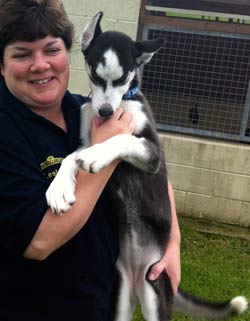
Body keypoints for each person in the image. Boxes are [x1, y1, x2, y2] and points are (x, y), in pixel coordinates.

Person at [0, 0, 181, 320]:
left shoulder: (83, 108)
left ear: (70, 53)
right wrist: (106, 151)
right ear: (1, 65)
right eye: (22, 54)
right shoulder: (7, 129)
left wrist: (172, 242)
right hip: (38, 307)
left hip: (103, 298)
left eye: (51, 49)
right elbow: (39, 241)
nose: (40, 64)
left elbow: (154, 165)